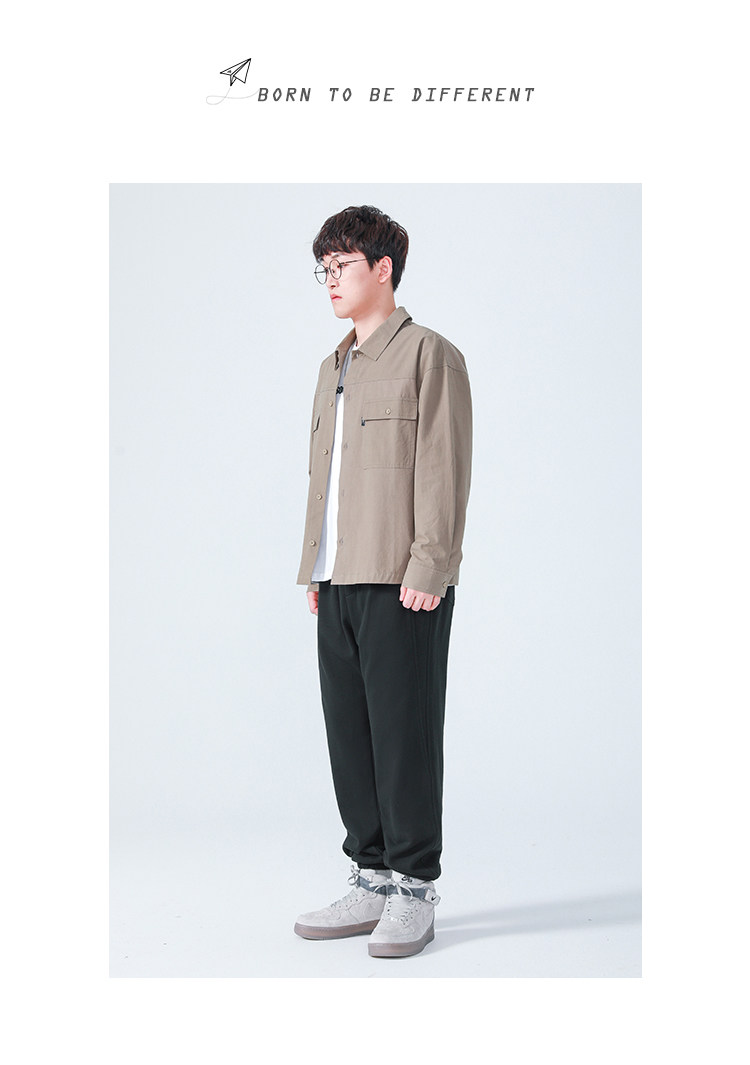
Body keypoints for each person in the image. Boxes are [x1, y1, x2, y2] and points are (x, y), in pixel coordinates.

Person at [294, 205, 472, 958]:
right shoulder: (331, 368)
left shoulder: (431, 355)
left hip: (403, 580)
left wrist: (431, 563)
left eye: (342, 265)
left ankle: (414, 889)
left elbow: (443, 467)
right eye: (324, 268)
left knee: (405, 737)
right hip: (337, 579)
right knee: (350, 735)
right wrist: (315, 565)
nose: (330, 280)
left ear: (383, 268)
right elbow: (327, 477)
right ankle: (370, 877)